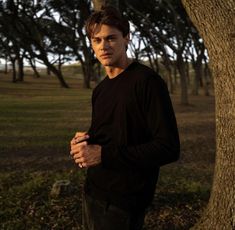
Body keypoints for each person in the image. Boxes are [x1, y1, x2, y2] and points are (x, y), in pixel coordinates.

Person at [70, 6, 180, 230]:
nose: (104, 46)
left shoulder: (147, 82)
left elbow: (168, 148)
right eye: (97, 40)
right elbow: (110, 134)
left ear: (127, 38)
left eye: (111, 38)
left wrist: (103, 154)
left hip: (124, 202)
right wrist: (84, 143)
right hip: (92, 191)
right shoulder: (100, 89)